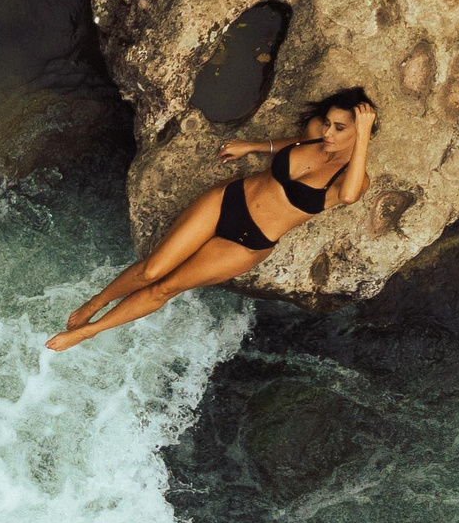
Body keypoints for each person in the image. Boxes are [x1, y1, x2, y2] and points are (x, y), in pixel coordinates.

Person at [47, 89, 376, 350]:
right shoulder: (317, 134)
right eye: (328, 123)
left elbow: (349, 196)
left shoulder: (352, 179)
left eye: (340, 128)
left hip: (247, 243)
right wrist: (251, 147)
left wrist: (362, 136)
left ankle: (90, 331)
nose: (328, 132)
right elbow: (296, 145)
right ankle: (97, 301)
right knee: (152, 270)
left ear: (360, 132)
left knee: (165, 288)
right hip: (227, 200)